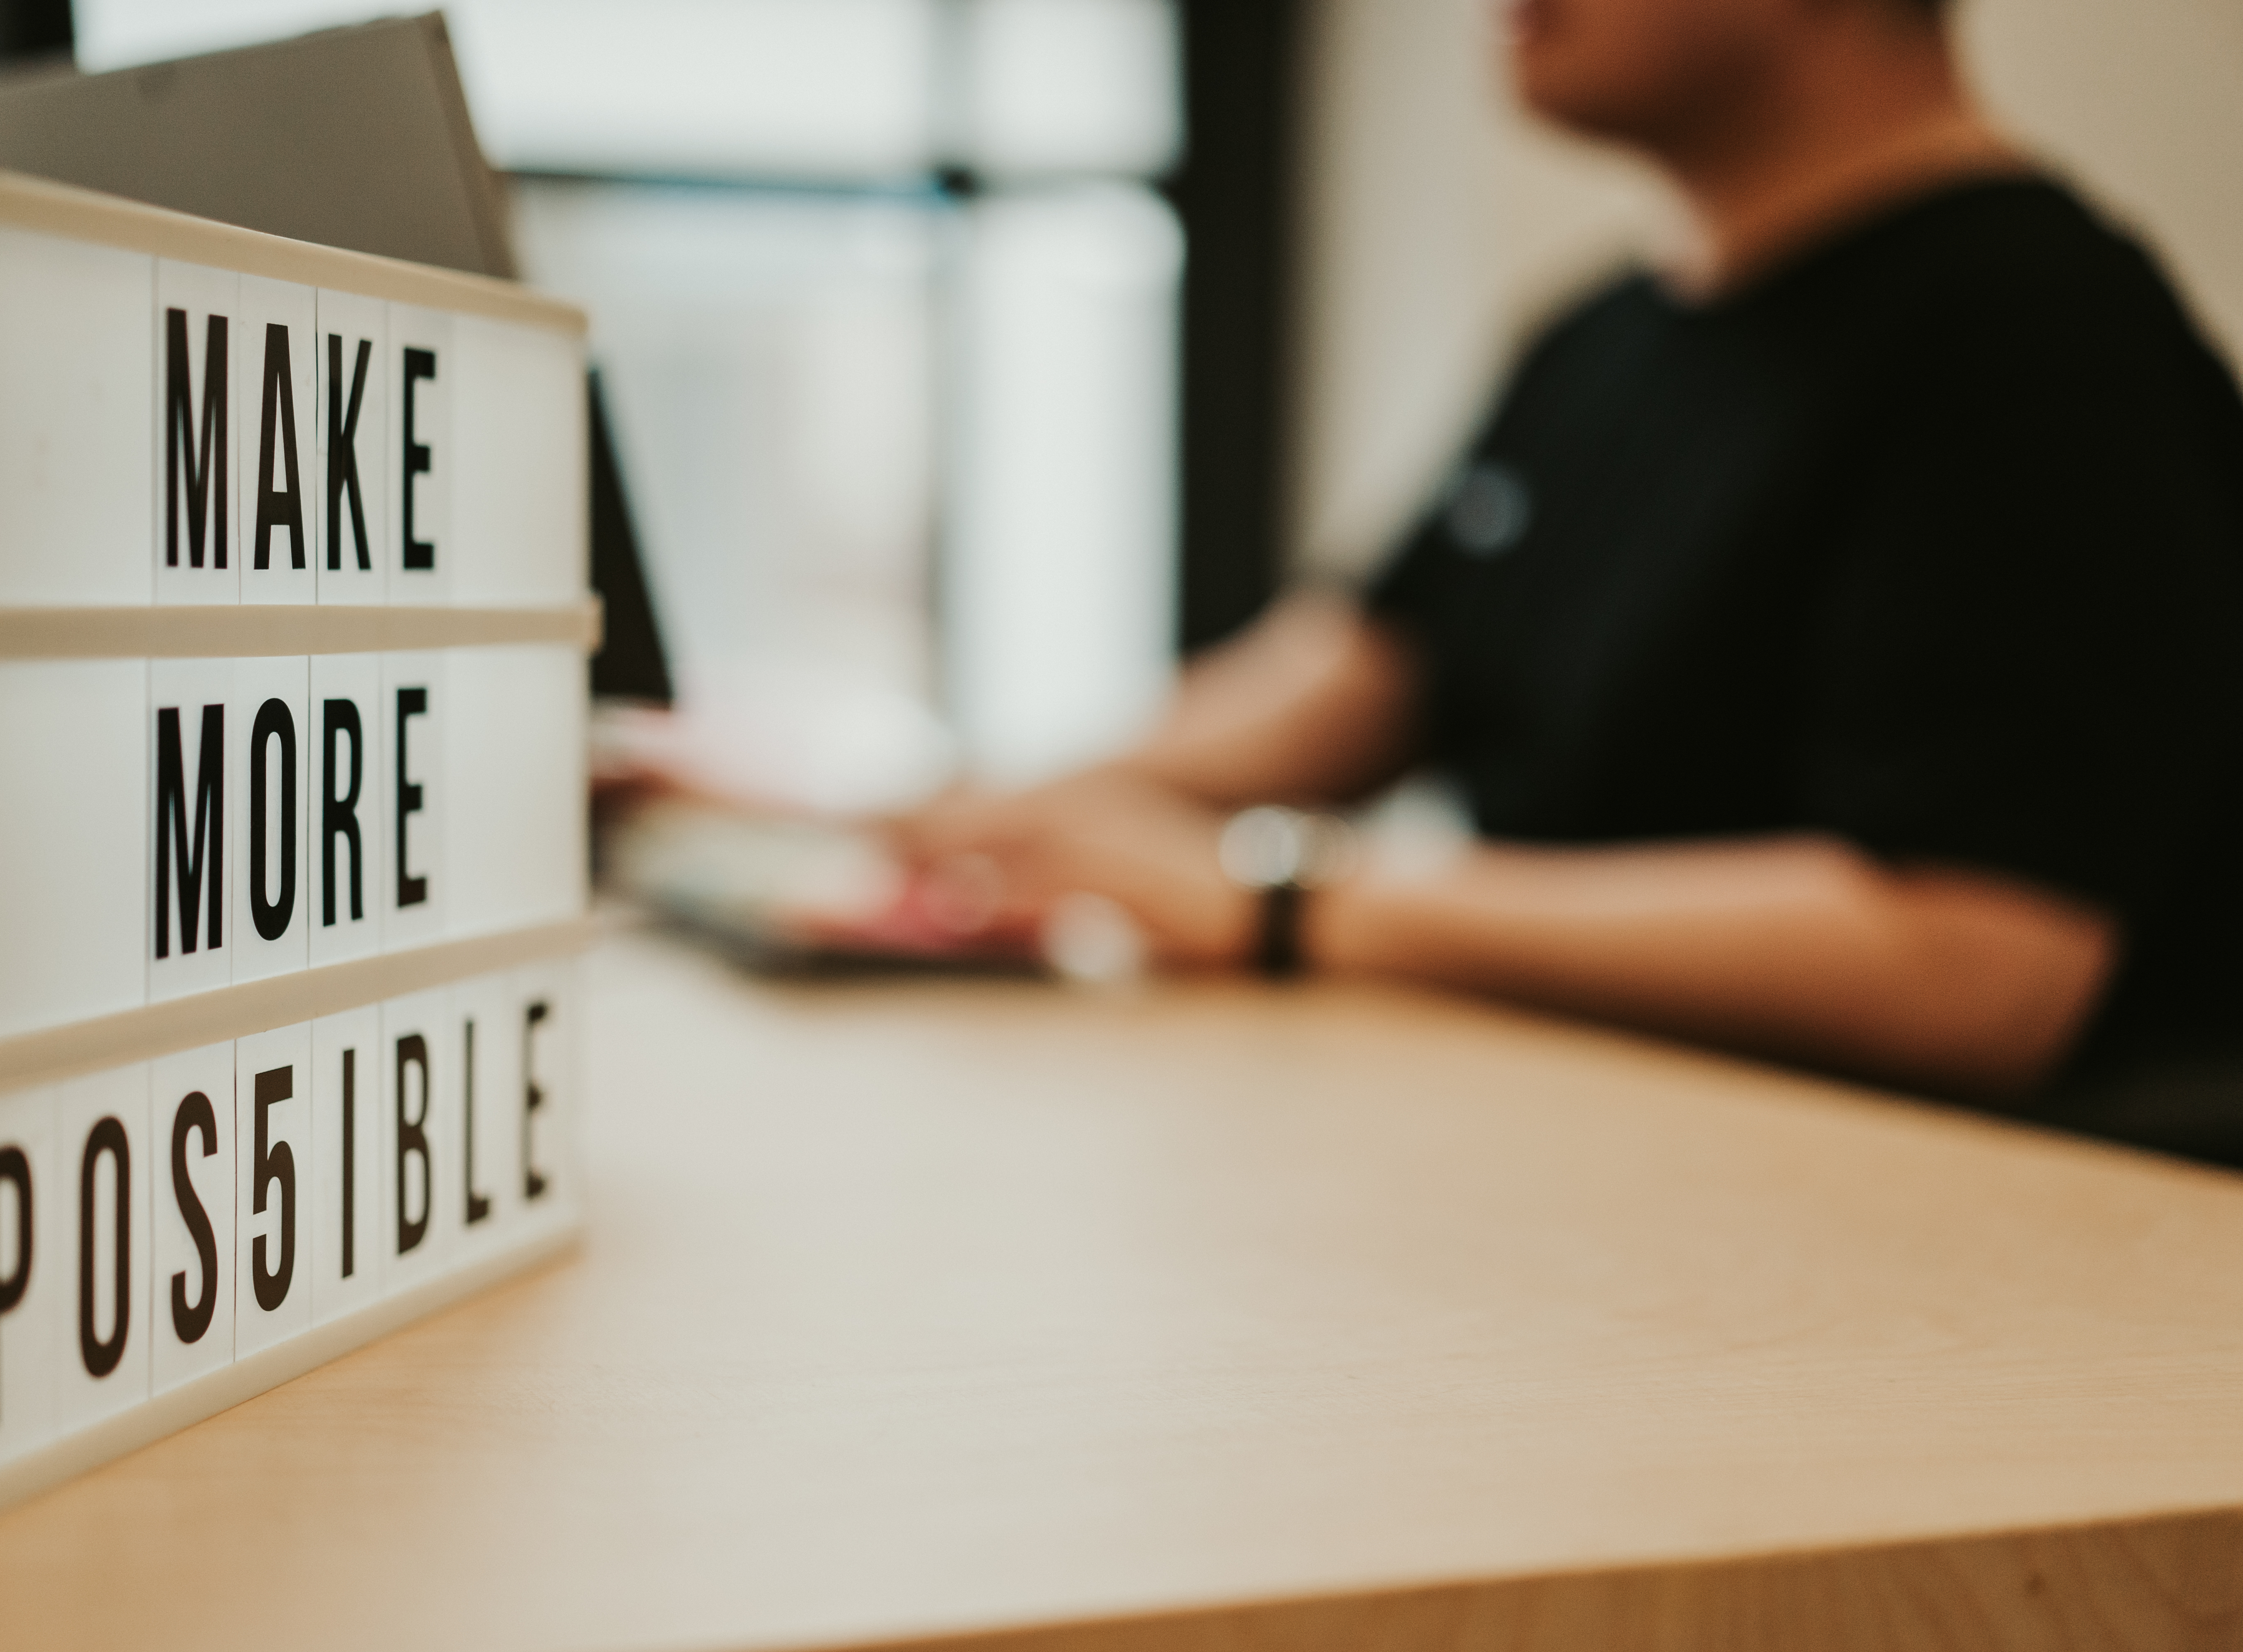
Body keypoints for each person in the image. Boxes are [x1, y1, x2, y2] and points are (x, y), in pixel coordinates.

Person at [898, 0, 2243, 1159]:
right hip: (1608, 1165)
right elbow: (1344, 683)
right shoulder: (1608, 339)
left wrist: (1295, 905)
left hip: (1943, 1268)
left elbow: (1969, 966)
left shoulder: (2038, 340)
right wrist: (957, 819)